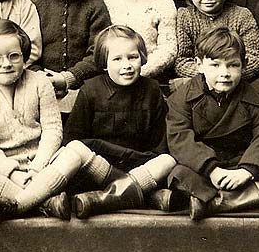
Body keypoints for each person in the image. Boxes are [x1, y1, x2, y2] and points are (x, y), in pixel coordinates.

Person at [0, 19, 113, 222]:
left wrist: (37, 168)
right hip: (2, 167)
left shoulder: (40, 82)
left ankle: (17, 206)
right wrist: (11, 171)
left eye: (14, 56)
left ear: (24, 55)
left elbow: (53, 130)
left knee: (73, 156)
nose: (6, 64)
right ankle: (45, 203)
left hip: (43, 164)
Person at [166, 27, 259, 220]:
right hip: (204, 168)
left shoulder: (252, 98)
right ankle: (251, 198)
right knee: (177, 172)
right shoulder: (182, 97)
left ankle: (217, 204)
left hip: (239, 164)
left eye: (233, 65)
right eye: (215, 65)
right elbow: (180, 138)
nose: (224, 73)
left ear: (244, 65)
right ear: (199, 64)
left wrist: (247, 170)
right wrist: (212, 169)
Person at [65, 25, 177, 218]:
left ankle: (109, 198)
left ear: (142, 57)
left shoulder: (152, 90)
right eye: (117, 59)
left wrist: (144, 160)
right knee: (75, 150)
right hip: (102, 167)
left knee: (168, 160)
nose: (127, 65)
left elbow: (161, 143)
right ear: (104, 63)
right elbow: (73, 140)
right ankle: (142, 195)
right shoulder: (90, 90)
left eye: (132, 57)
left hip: (140, 166)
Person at [34, 0, 111, 110]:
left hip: (85, 87)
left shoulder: (96, 6)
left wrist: (68, 78)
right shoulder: (40, 7)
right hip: (42, 85)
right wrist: (41, 76)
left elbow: (98, 53)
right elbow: (30, 51)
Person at [174, 0, 259, 82]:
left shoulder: (242, 15)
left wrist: (229, 75)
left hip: (234, 81)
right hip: (200, 82)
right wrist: (211, 77)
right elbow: (182, 61)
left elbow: (254, 58)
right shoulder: (185, 17)